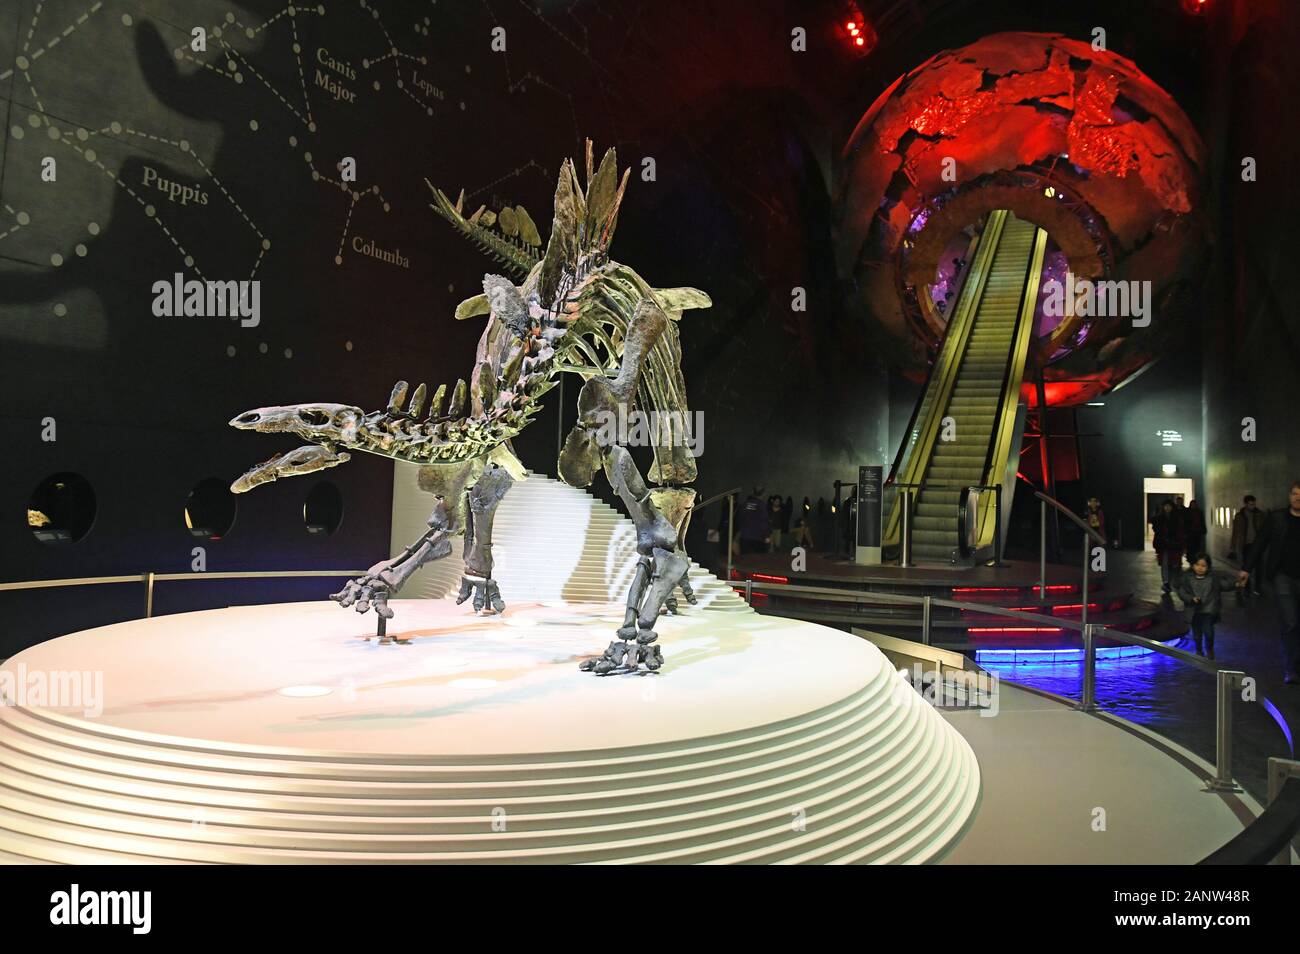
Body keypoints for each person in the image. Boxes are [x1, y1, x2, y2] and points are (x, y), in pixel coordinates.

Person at [1239, 481, 1300, 684]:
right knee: (1290, 622)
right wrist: (1247, 569)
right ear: (1289, 496)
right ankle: (1290, 668)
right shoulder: (1277, 518)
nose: (1297, 497)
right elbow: (1260, 543)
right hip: (1283, 576)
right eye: (1294, 493)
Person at [1177, 553, 1222, 659]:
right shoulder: (1188, 579)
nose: (1200, 568)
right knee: (1197, 634)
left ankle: (1209, 650)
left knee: (1209, 632)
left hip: (1208, 611)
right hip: (1194, 611)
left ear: (1208, 567)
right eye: (1197, 565)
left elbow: (1224, 585)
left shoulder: (1212, 579)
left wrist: (1236, 584)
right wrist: (1191, 599)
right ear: (1193, 565)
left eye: (1203, 566)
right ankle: (1199, 650)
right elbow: (1182, 592)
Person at [1230, 495, 1267, 596]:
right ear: (1246, 504)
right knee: (1246, 567)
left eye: (1254, 504)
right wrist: (1233, 547)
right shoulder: (1239, 516)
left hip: (1257, 544)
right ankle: (1247, 587)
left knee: (1259, 567)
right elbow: (1235, 532)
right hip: (1246, 545)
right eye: (1250, 504)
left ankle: (1257, 587)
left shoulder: (1260, 515)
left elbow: (1264, 530)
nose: (1252, 506)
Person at [1151, 499, 1185, 595]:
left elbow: (1180, 532)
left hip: (1174, 545)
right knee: (1165, 563)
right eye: (1165, 506)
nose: (1167, 508)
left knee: (1172, 564)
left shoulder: (1177, 518)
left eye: (1169, 506)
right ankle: (1166, 582)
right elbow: (1157, 531)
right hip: (1163, 545)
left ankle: (1168, 582)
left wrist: (1181, 544)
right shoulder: (1159, 518)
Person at [738, 487, 770, 555]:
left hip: (745, 536)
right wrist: (766, 536)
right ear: (763, 494)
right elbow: (764, 521)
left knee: (745, 560)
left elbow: (740, 519)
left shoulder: (745, 503)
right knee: (758, 561)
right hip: (758, 538)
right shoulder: (762, 505)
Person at [1184, 500, 1206, 566]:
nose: (1193, 506)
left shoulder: (1199, 512)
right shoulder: (1188, 512)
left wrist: (1202, 530)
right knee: (1190, 548)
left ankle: (1195, 560)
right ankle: (1191, 560)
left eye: (1194, 504)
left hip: (1197, 533)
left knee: (1197, 547)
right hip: (1190, 533)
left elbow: (1202, 522)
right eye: (1192, 504)